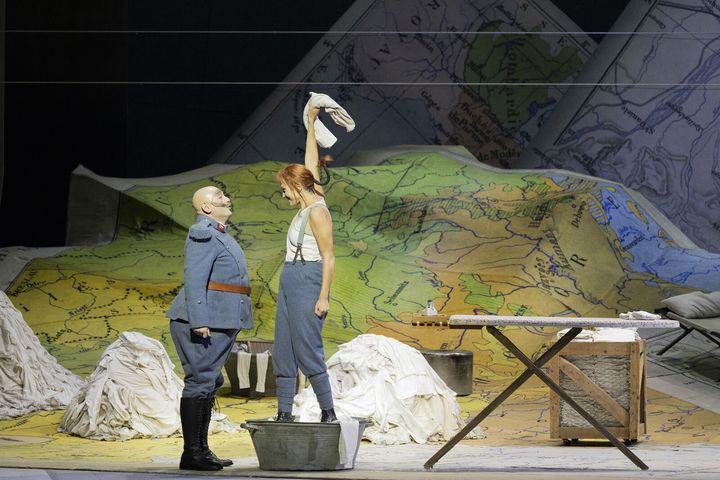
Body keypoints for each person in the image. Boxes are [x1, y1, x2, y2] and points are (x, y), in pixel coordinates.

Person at [166, 186, 254, 471]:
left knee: (208, 382)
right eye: (219, 198)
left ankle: (201, 451)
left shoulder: (219, 235)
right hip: (205, 321)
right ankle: (192, 454)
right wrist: (200, 320)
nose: (227, 199)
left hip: (221, 319)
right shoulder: (202, 234)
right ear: (206, 207)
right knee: (200, 381)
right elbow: (194, 279)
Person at [273, 105, 337, 423]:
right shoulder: (310, 195)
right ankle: (284, 412)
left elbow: (329, 257)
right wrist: (311, 125)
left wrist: (323, 296)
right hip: (289, 277)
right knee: (283, 347)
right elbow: (310, 163)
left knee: (307, 347)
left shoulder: (318, 211)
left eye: (285, 188)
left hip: (308, 277)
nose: (284, 194)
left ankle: (328, 412)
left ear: (296, 187)